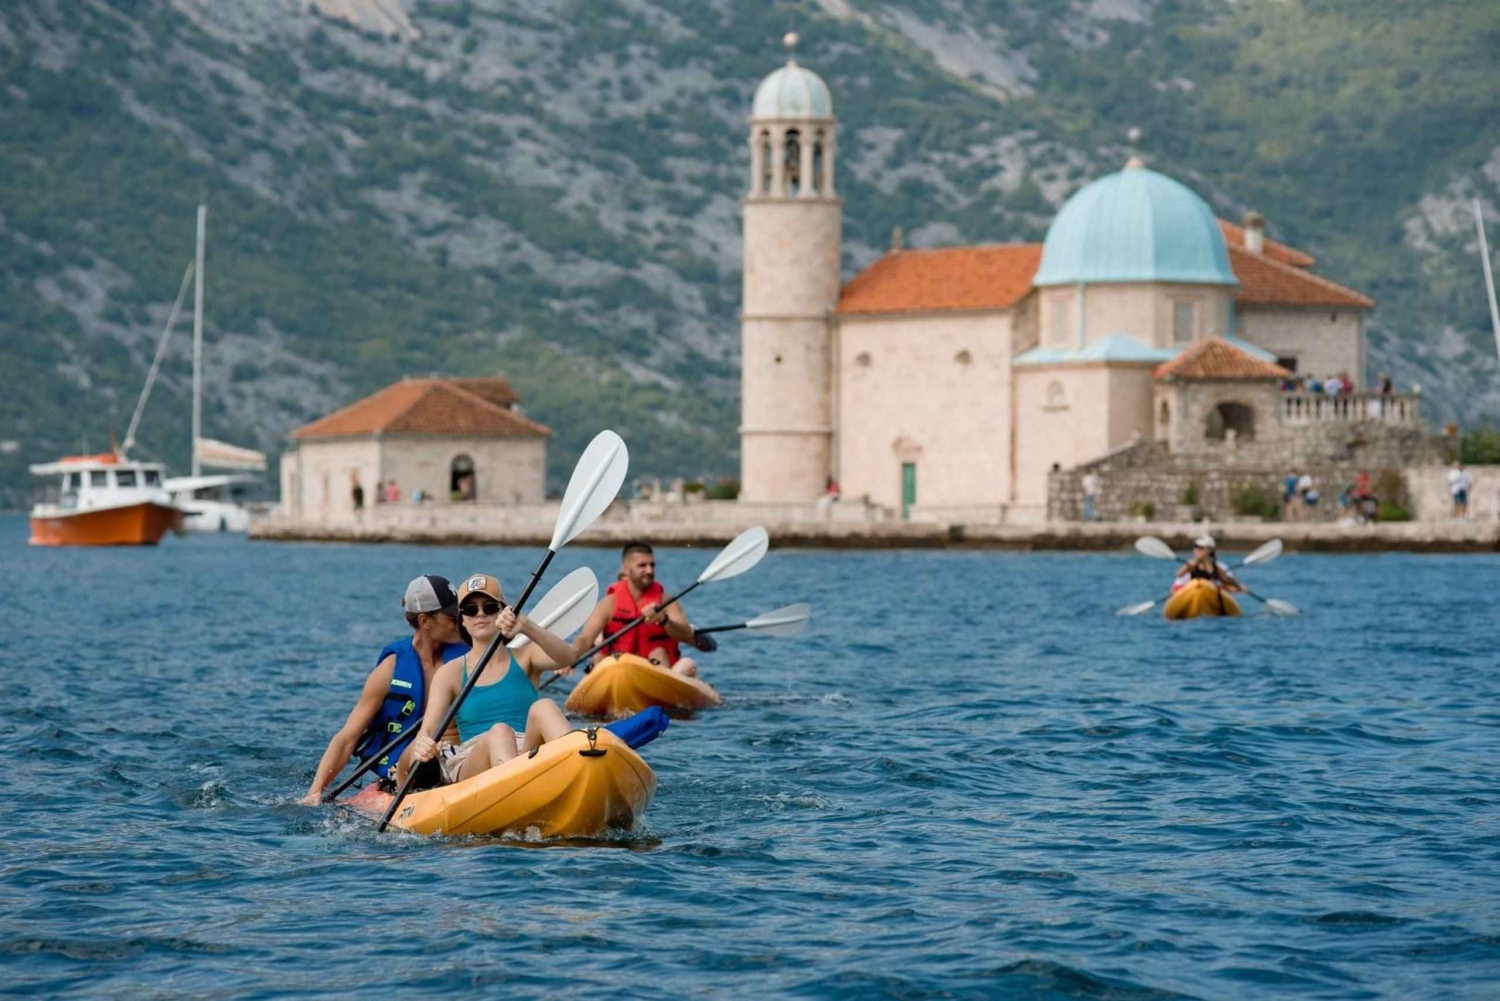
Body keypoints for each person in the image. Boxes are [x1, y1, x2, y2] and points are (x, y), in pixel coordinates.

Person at [400, 573, 581, 786]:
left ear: (504, 613)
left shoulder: (526, 656)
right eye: (471, 610)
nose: (480, 614)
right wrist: (423, 746)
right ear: (463, 621)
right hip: (474, 759)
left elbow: (568, 657)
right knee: (500, 732)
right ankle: (516, 790)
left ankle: (578, 768)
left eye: (490, 607)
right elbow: (427, 730)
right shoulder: (451, 672)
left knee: (545, 706)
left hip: (527, 751)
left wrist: (526, 626)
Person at [301, 575, 468, 804]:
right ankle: (368, 800)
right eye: (452, 617)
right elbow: (347, 738)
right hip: (407, 773)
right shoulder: (390, 669)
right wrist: (315, 791)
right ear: (425, 620)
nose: (460, 622)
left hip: (460, 763)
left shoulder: (472, 657)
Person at [575, 542, 705, 677]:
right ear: (625, 569)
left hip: (656, 672)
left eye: (652, 565)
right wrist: (570, 659)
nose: (649, 571)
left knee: (659, 652)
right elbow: (585, 639)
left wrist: (663, 619)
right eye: (642, 565)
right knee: (599, 657)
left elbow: (686, 635)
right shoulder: (608, 604)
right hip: (618, 672)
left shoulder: (666, 602)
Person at [1171, 536, 1245, 594]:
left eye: (1201, 548)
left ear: (1210, 550)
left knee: (1228, 587)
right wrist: (1187, 566)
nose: (1197, 550)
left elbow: (1226, 579)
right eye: (1196, 547)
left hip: (1210, 591)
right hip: (1191, 591)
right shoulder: (1190, 564)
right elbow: (1178, 574)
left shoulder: (1217, 567)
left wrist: (1238, 587)